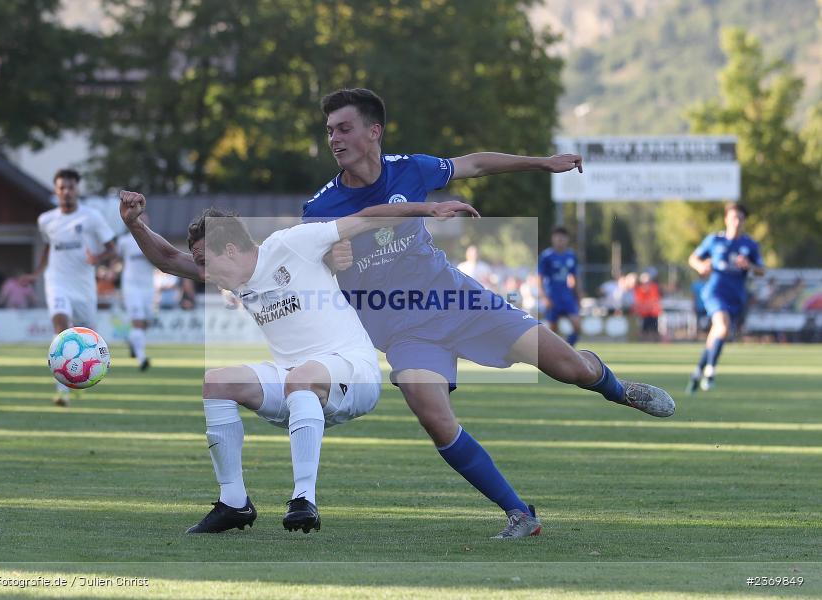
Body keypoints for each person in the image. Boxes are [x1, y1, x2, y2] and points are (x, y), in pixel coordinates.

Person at [303, 88, 675, 539]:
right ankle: (520, 513)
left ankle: (618, 389)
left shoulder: (411, 170)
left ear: (373, 131)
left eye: (344, 128)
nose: (334, 139)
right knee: (434, 417)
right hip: (403, 330)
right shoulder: (320, 209)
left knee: (570, 367)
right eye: (329, 131)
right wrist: (331, 262)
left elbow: (474, 164)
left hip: (461, 302)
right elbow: (311, 267)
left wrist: (541, 162)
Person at [119, 189, 479, 534]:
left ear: (229, 249)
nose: (204, 274)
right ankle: (233, 502)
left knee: (300, 378)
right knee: (217, 382)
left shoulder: (293, 243)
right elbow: (166, 259)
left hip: (353, 371)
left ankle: (303, 499)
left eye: (204, 262)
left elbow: (367, 217)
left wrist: (428, 209)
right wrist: (135, 224)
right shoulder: (236, 276)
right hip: (298, 384)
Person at [24, 169, 116, 407]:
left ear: (77, 189)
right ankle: (62, 391)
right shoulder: (46, 220)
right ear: (56, 190)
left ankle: (79, 381)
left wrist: (96, 258)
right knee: (62, 328)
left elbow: (111, 248)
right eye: (62, 187)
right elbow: (48, 247)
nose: (66, 191)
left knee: (86, 336)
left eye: (71, 187)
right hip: (57, 282)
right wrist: (36, 273)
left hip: (84, 287)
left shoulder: (92, 217)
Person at [686, 202, 764, 394]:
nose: (736, 222)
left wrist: (750, 266)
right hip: (715, 292)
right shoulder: (714, 240)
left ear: (744, 221)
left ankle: (697, 372)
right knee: (722, 327)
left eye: (740, 218)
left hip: (736, 296)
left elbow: (762, 270)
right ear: (726, 219)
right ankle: (710, 373)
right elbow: (693, 258)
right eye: (733, 218)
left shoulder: (750, 245)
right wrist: (700, 266)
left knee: (718, 333)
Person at [117, 216, 156, 371]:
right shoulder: (124, 242)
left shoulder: (153, 241)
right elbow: (116, 258)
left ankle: (133, 341)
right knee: (138, 321)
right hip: (131, 287)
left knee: (146, 322)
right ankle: (142, 358)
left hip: (148, 287)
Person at [538, 226, 582, 346]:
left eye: (562, 238)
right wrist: (544, 297)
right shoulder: (546, 256)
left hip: (567, 296)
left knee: (577, 325)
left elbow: (575, 277)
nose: (560, 240)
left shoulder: (571, 256)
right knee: (553, 330)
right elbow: (540, 279)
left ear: (567, 239)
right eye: (557, 237)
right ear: (553, 239)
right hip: (552, 296)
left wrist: (578, 296)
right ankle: (558, 354)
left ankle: (569, 348)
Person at [633, 270, 662, 342]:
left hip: (653, 312)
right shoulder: (639, 289)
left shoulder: (654, 287)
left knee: (654, 330)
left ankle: (654, 343)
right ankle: (644, 343)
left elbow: (654, 299)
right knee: (644, 330)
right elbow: (639, 301)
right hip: (643, 313)